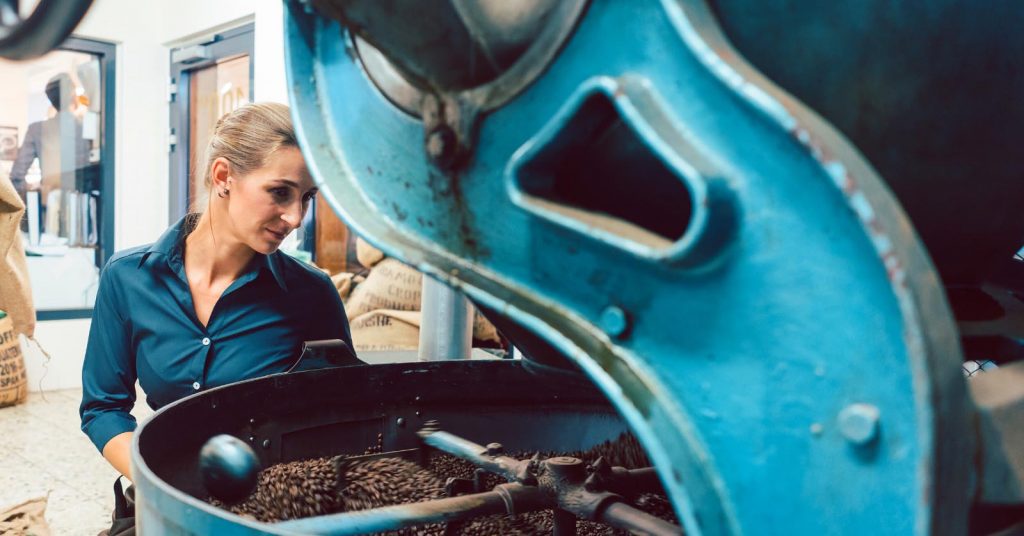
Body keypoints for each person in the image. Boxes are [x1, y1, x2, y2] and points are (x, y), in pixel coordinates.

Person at [79, 102, 353, 535]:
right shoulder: (128, 279)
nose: (296, 218)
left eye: (306, 198)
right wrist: (167, 487)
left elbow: (347, 416)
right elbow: (103, 408)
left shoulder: (311, 295)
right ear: (224, 177)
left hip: (270, 512)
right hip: (164, 499)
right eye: (280, 192)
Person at [9, 73, 91, 227]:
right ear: (73, 96)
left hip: (49, 208)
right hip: (83, 211)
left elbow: (16, 176)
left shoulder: (37, 129)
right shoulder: (88, 129)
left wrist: (35, 198)